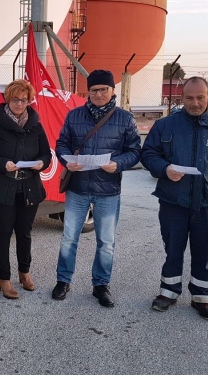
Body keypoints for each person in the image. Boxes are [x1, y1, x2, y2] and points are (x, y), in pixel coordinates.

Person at [141, 76, 208, 320]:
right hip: (173, 201)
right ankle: (168, 291)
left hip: (207, 203)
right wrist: (164, 169)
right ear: (181, 98)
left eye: (200, 97)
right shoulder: (165, 126)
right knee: (172, 248)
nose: (194, 103)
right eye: (189, 98)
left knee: (202, 250)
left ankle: (201, 296)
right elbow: (148, 154)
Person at [53, 69, 141, 307]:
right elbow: (61, 143)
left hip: (108, 190)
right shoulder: (74, 116)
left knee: (106, 241)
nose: (99, 94)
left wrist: (118, 164)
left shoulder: (125, 119)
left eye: (104, 89)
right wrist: (65, 159)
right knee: (69, 238)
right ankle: (63, 281)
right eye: (94, 90)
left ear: (113, 90)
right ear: (88, 92)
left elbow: (135, 151)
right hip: (78, 188)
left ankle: (101, 285)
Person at [0, 80, 51, 299]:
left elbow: (46, 153)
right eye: (15, 99)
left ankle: (24, 273)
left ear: (29, 101)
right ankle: (4, 278)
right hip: (2, 186)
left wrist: (41, 163)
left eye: (24, 100)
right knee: (4, 232)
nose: (20, 103)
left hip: (30, 186)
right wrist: (3, 164)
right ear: (8, 99)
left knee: (25, 232)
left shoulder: (36, 125)